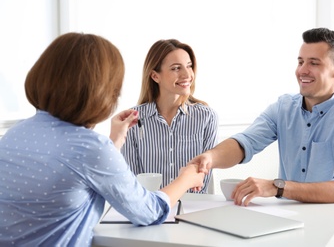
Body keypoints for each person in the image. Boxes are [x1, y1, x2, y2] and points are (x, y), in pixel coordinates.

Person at [0, 33, 204, 246]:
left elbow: (76, 173)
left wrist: (114, 141)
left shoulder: (15, 134)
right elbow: (149, 211)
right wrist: (187, 178)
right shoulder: (91, 148)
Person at [189, 28, 334, 246]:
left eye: (314, 63)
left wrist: (277, 186)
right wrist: (210, 158)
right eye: (300, 62)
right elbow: (245, 142)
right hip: (293, 222)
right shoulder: (284, 107)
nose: (302, 71)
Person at [121, 39, 218, 193]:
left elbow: (202, 180)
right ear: (155, 76)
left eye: (189, 66)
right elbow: (132, 180)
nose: (187, 74)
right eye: (176, 68)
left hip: (192, 208)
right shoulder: (133, 120)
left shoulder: (206, 117)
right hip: (150, 209)